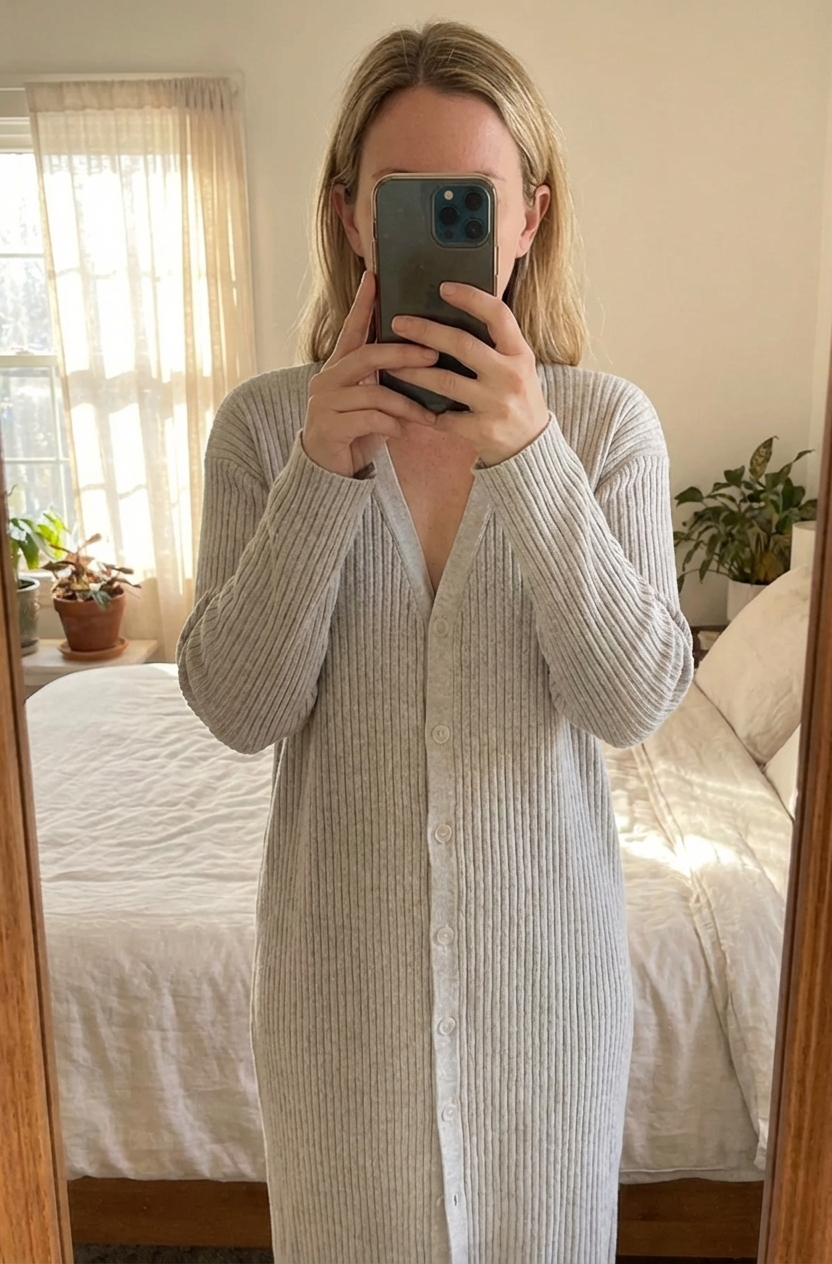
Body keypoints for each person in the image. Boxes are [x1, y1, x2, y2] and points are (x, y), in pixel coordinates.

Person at [176, 19, 694, 1264]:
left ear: (527, 219)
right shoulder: (264, 429)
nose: (439, 226)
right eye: (404, 198)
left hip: (545, 1006)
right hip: (338, 1009)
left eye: (469, 199)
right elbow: (237, 707)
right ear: (351, 217)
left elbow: (631, 699)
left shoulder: (604, 428)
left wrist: (531, 459)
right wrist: (319, 472)